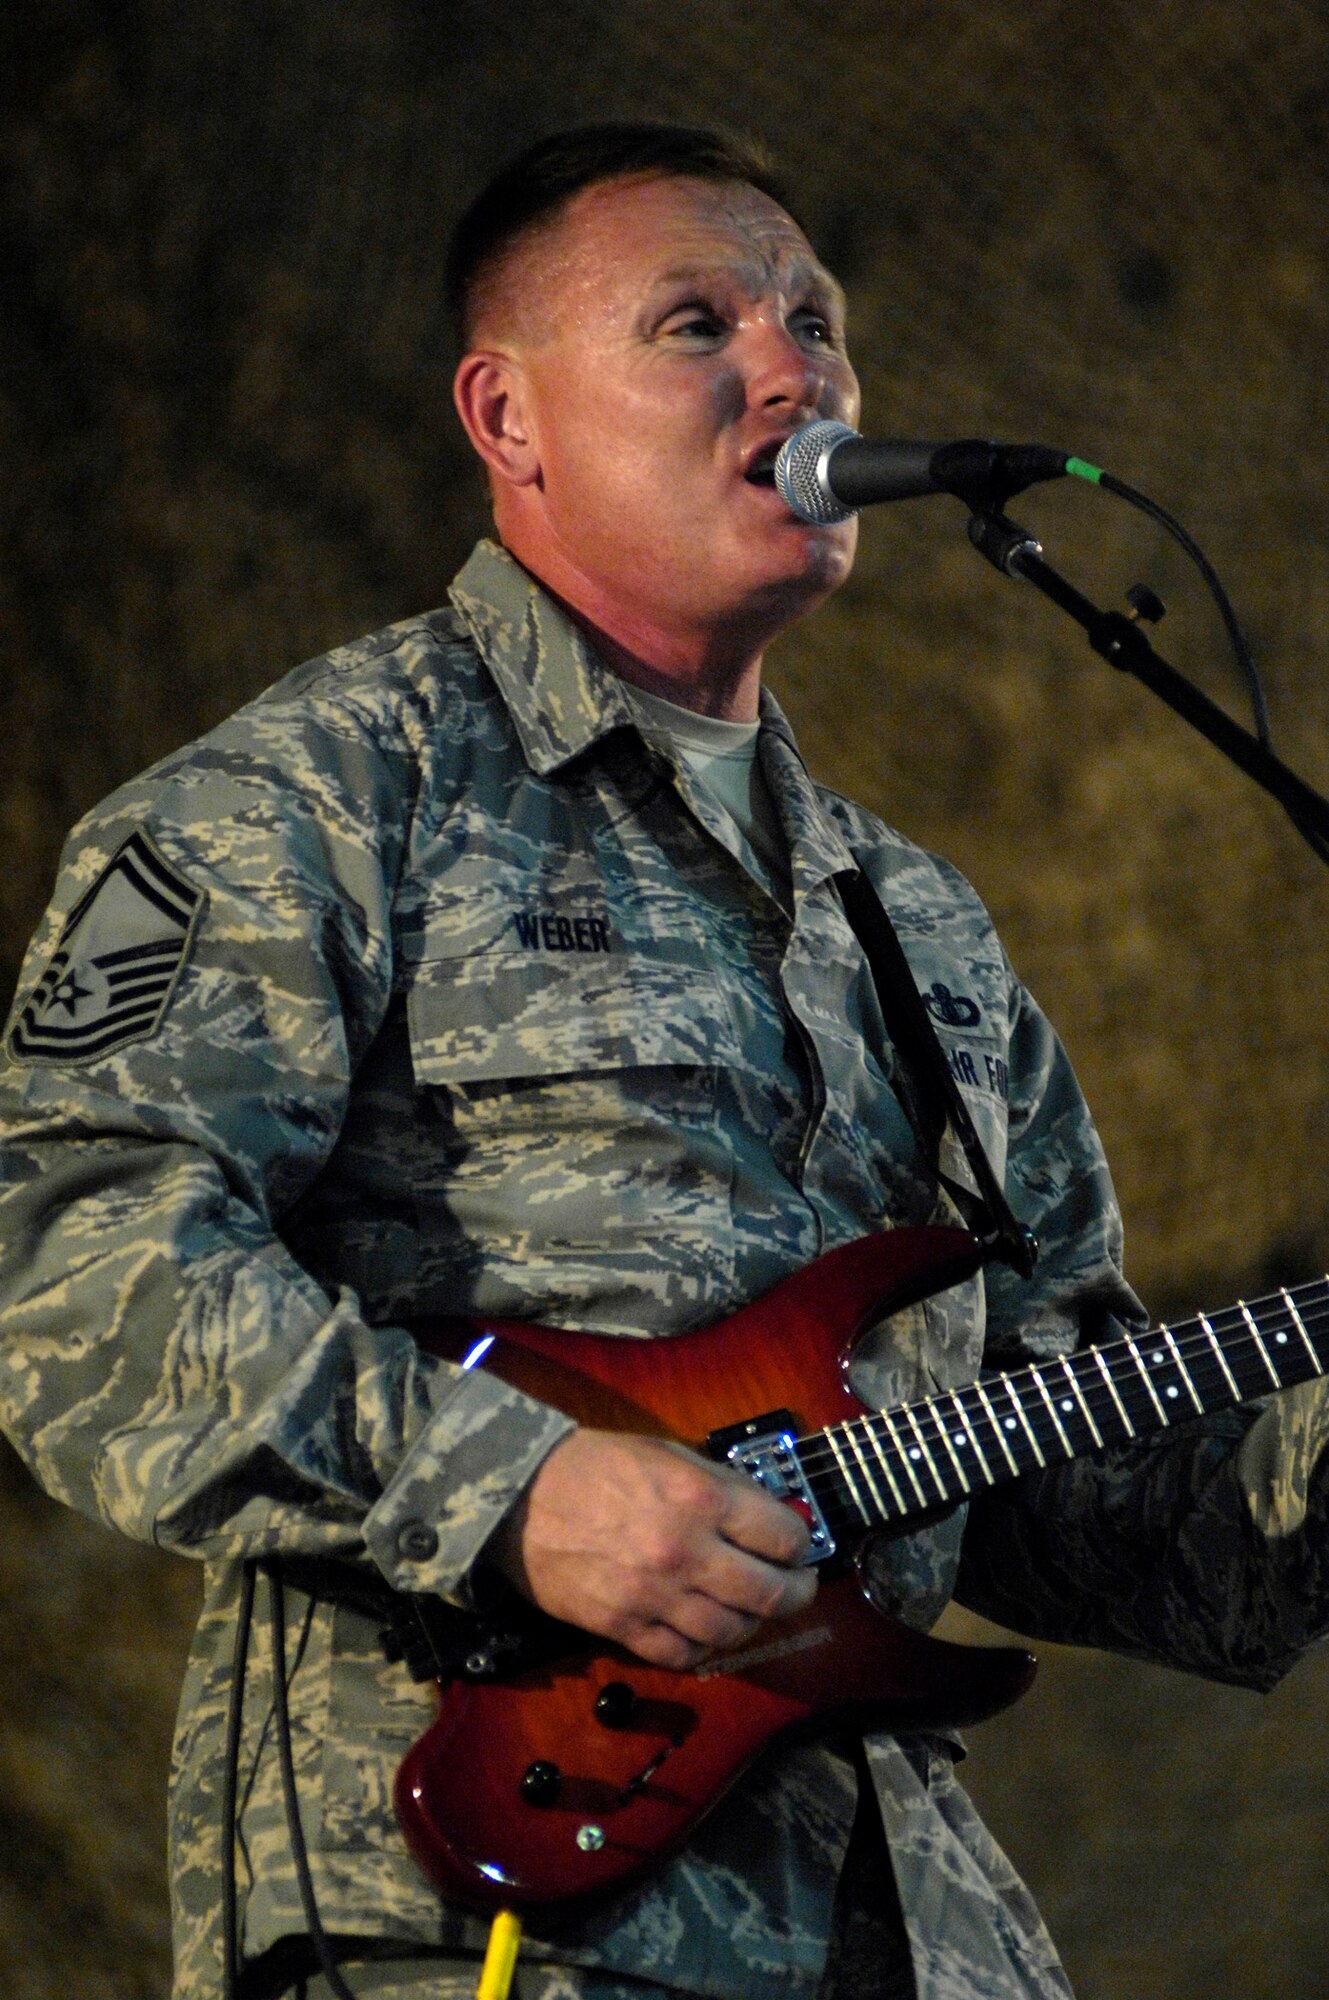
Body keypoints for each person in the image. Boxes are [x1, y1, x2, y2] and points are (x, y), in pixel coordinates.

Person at [2, 122, 1328, 2000]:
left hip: (911, 1928)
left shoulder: (915, 919)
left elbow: (1107, 1509)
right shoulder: (303, 800)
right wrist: (513, 1487)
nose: (791, 369)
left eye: (814, 319)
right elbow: (66, 1273)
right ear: (508, 414)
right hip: (483, 1907)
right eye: (694, 322)